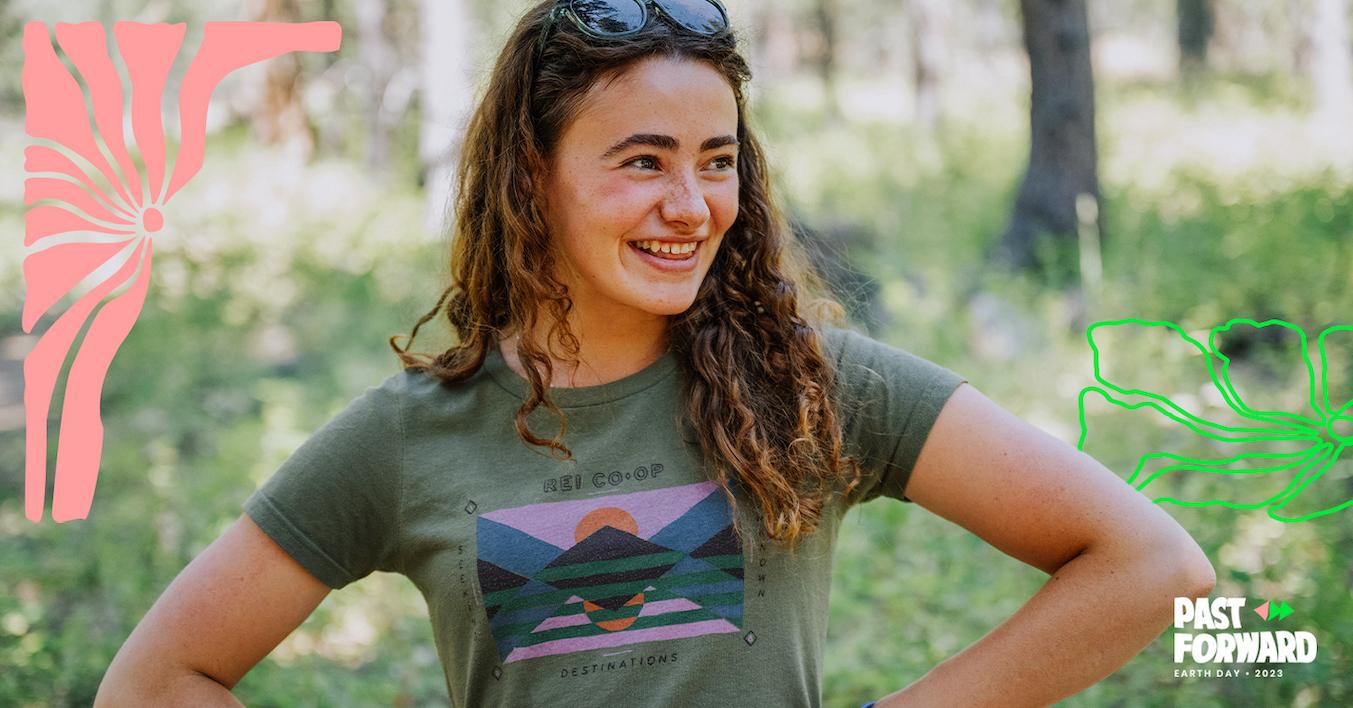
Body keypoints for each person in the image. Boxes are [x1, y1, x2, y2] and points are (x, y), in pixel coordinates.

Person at [94, 1, 1216, 706]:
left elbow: (1150, 565)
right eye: (642, 161)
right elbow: (152, 680)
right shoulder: (405, 439)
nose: (692, 204)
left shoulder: (811, 384)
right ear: (531, 175)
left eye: (716, 159)